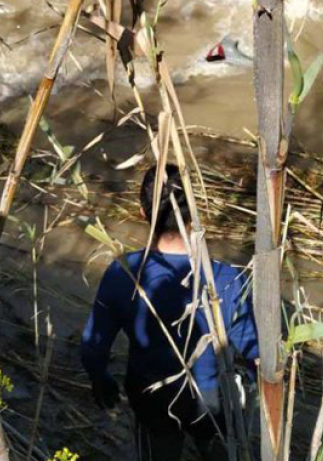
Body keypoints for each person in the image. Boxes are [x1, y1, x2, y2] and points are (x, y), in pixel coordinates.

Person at [81, 164, 258, 461]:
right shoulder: (225, 279)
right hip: (211, 401)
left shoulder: (123, 274)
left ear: (141, 212)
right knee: (219, 450)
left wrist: (100, 379)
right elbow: (255, 352)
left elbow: (93, 346)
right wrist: (251, 389)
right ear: (192, 215)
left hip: (151, 397)